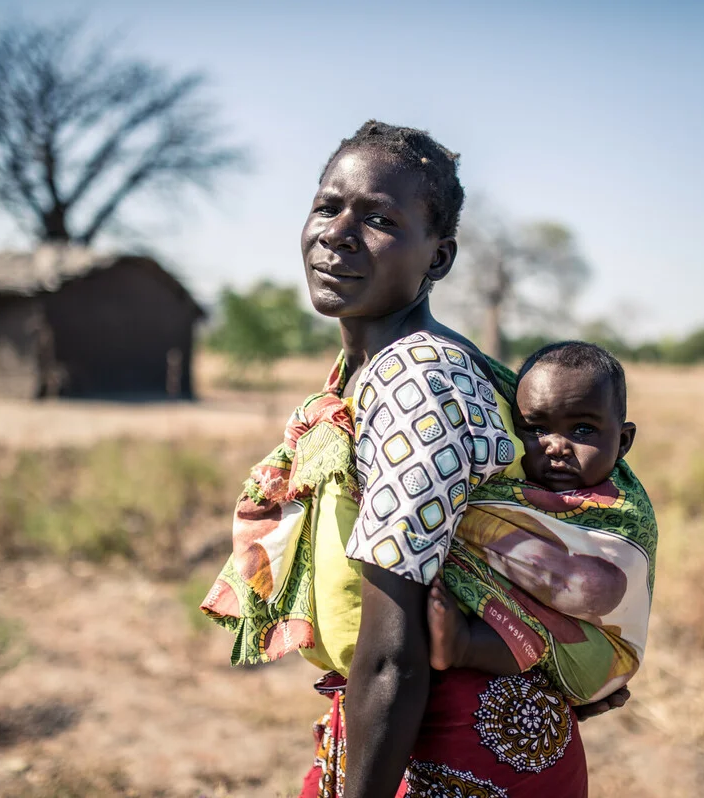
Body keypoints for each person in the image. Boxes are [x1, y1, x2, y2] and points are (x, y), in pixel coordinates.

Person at [201, 121, 648, 798]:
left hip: (459, 749)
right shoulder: (368, 370)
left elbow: (394, 651)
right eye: (327, 206)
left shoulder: (420, 382)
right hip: (421, 729)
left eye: (378, 218)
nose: (338, 233)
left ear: (437, 259)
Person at [427, 341, 645, 692]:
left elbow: (622, 567)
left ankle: (464, 645)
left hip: (597, 657)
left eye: (583, 430)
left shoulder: (624, 511)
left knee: (560, 633)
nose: (555, 446)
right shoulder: (503, 487)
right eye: (536, 429)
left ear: (622, 442)